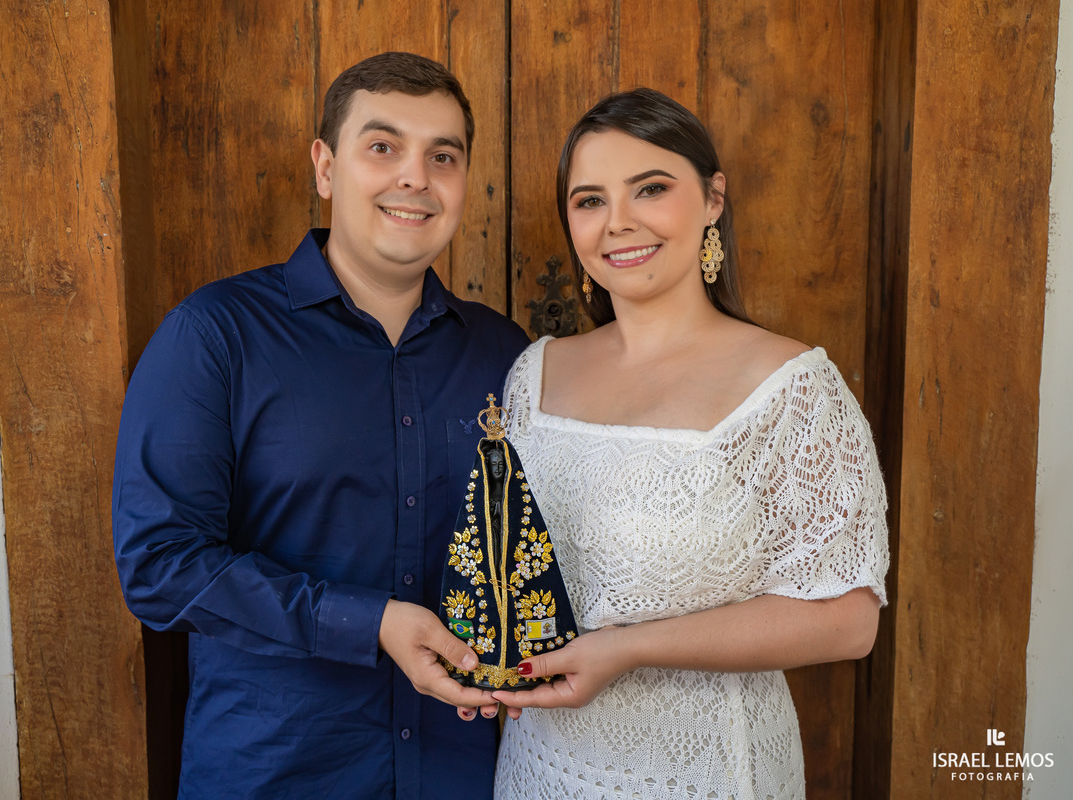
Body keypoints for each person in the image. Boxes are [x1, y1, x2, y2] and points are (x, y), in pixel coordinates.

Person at [112, 52, 530, 798]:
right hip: (279, 770)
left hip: (464, 771)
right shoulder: (215, 335)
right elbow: (160, 564)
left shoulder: (506, 355)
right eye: (383, 147)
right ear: (325, 167)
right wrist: (368, 623)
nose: (415, 177)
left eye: (443, 156)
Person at [487, 88, 890, 799]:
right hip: (539, 765)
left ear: (712, 198)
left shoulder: (789, 386)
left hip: (703, 770)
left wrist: (628, 648)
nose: (619, 223)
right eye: (589, 200)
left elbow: (849, 620)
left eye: (651, 189)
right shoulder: (535, 373)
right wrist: (480, 659)